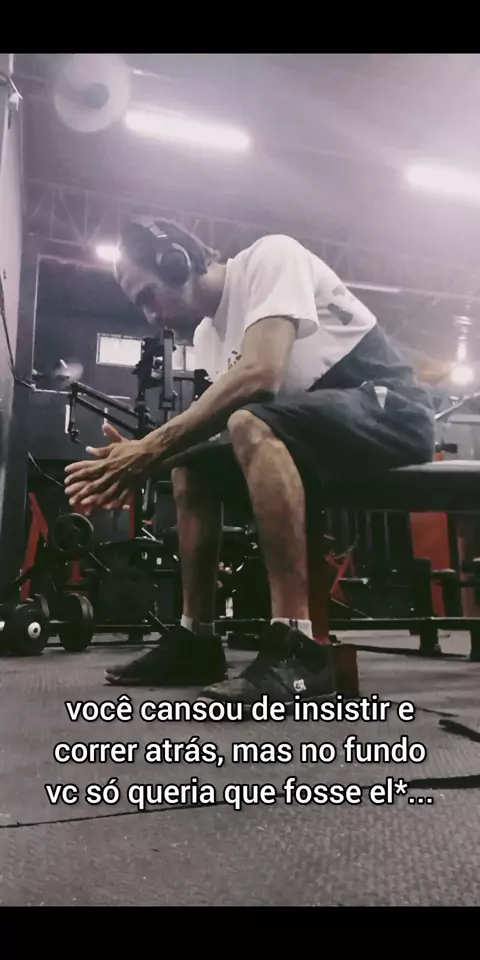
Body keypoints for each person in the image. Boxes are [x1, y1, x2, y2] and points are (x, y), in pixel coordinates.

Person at [64, 219, 436, 708]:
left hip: (392, 411)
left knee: (247, 421)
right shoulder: (208, 336)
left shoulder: (269, 258)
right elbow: (219, 429)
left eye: (148, 296)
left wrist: (150, 446)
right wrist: (139, 461)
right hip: (316, 432)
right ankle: (197, 637)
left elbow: (262, 375)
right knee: (192, 464)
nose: (151, 315)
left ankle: (298, 644)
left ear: (176, 262)